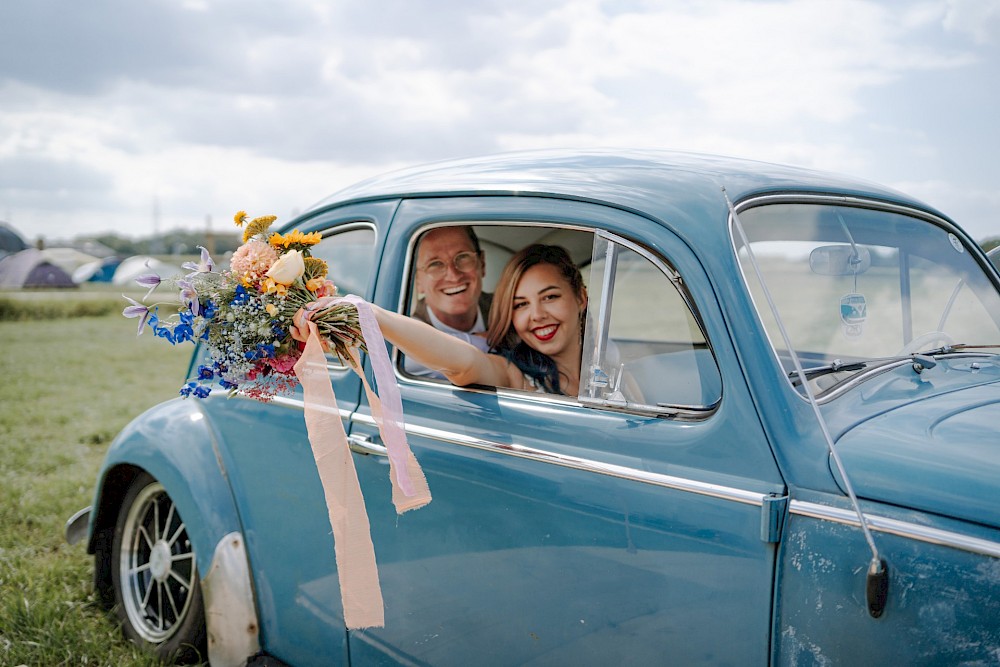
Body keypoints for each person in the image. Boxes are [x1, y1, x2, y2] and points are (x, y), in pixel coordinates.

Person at [376, 244, 588, 396]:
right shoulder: (513, 373)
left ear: (581, 297)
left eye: (550, 297)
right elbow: (465, 363)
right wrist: (374, 316)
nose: (537, 315)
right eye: (521, 304)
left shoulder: (603, 362)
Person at [404, 226, 493, 378]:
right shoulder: (405, 342)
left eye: (462, 257)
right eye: (435, 264)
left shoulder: (514, 311)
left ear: (482, 263)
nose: (453, 276)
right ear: (417, 281)